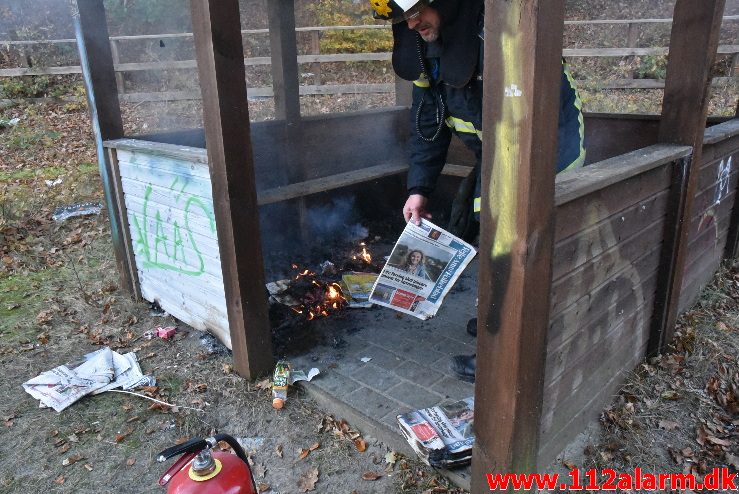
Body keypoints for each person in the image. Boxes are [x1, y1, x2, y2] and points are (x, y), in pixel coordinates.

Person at [369, 0, 586, 382]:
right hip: (498, 155)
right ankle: (499, 320)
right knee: (480, 224)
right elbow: (428, 124)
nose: (413, 22)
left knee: (515, 248)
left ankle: (506, 352)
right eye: (404, 18)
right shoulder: (429, 49)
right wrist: (419, 188)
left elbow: (525, 132)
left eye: (417, 10)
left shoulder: (503, 37)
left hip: (545, 157)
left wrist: (500, 205)